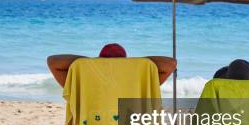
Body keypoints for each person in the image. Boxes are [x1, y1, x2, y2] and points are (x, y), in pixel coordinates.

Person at [46, 43, 177, 87]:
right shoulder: (138, 85)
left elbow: (53, 61)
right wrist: (132, 63)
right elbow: (170, 64)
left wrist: (92, 62)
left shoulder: (84, 85)